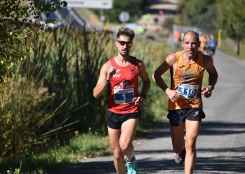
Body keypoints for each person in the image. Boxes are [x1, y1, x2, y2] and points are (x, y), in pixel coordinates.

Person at [153, 31, 218, 174]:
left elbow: (213, 74)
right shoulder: (173, 58)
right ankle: (180, 152)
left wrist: (210, 87)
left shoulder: (205, 60)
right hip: (176, 107)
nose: (190, 46)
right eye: (187, 43)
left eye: (194, 43)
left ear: (199, 45)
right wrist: (167, 91)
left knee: (191, 143)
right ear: (183, 44)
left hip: (194, 106)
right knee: (178, 147)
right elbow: (156, 74)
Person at [93, 27, 150, 174]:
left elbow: (147, 81)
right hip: (113, 112)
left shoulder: (137, 64)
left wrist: (142, 96)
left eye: (128, 43)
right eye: (121, 43)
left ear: (131, 44)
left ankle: (130, 161)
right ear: (116, 44)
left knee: (124, 145)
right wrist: (107, 78)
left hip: (131, 111)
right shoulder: (107, 66)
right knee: (117, 154)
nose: (124, 46)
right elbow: (95, 93)